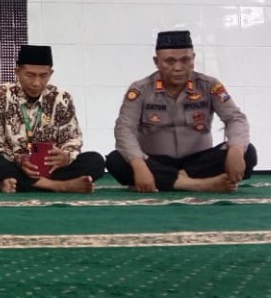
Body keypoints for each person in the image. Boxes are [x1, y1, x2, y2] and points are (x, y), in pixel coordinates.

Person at [106, 30, 257, 193]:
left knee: (248, 152)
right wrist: (138, 164)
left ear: (193, 59)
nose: (178, 68)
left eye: (185, 60)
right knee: (116, 160)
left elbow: (235, 118)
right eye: (169, 61)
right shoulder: (140, 89)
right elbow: (124, 128)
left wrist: (236, 149)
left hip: (198, 163)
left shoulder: (209, 86)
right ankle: (200, 185)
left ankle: (172, 180)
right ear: (156, 62)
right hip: (155, 161)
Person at [0, 45, 105, 194]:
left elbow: (73, 139)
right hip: (14, 166)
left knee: (95, 160)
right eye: (30, 75)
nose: (36, 83)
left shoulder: (61, 98)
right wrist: (20, 160)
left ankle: (3, 183)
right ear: (17, 72)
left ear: (51, 73)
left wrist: (66, 157)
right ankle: (59, 186)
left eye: (43, 76)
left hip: (50, 169)